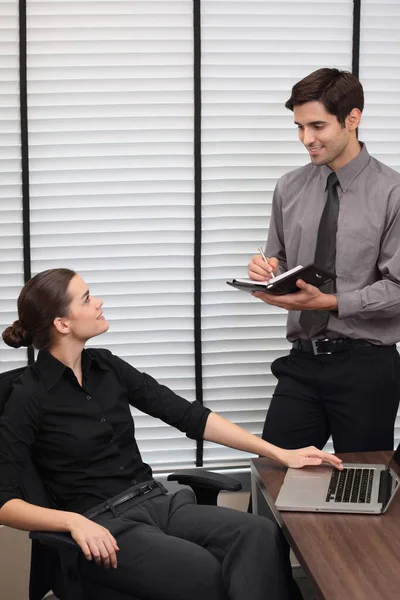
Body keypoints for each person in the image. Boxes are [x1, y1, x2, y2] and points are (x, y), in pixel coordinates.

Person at [0, 268, 342, 600]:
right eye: (87, 299)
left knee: (259, 533)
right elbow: (5, 503)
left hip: (157, 501)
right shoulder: (28, 396)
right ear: (62, 324)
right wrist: (73, 523)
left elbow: (188, 416)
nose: (99, 302)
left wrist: (280, 453)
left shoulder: (106, 365)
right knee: (206, 572)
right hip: (106, 526)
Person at [248, 68, 400, 455]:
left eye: (317, 126)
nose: (306, 140)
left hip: (367, 366)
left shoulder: (392, 193)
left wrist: (331, 302)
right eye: (299, 127)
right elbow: (279, 259)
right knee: (274, 477)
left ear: (352, 118)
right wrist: (267, 272)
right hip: (302, 362)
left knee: (364, 488)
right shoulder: (289, 187)